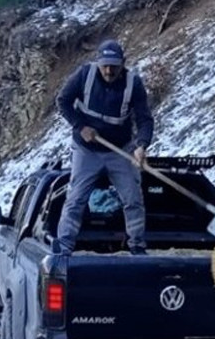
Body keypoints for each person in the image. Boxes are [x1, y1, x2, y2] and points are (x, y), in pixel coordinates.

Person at [54, 39, 154, 255]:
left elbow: (145, 120)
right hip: (86, 149)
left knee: (133, 198)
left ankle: (137, 245)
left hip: (120, 149)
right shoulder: (84, 75)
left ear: (123, 63)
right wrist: (81, 127)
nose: (109, 70)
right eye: (105, 65)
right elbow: (63, 101)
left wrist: (141, 146)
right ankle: (64, 246)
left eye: (114, 66)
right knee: (76, 198)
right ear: (98, 62)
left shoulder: (133, 83)